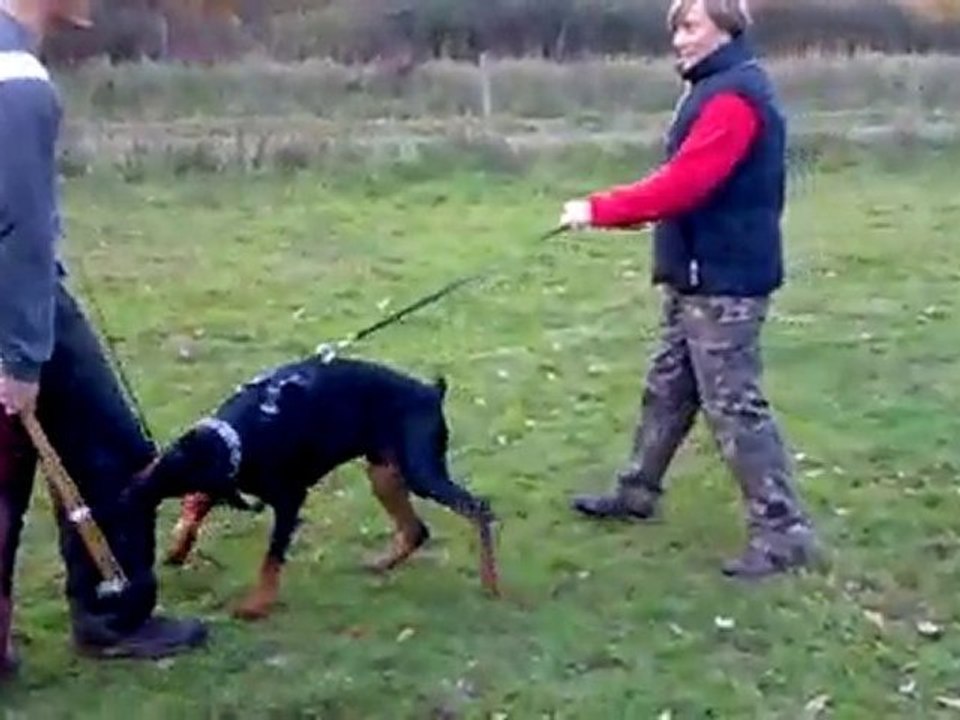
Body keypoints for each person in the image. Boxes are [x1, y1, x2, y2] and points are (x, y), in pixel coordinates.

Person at [561, 0, 818, 579]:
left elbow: (685, 184)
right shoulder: (713, 86)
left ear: (727, 27)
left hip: (725, 280)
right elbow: (686, 191)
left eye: (691, 26)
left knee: (735, 409)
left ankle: (784, 533)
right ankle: (637, 491)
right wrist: (623, 216)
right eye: (675, 27)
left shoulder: (733, 96)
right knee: (669, 389)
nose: (678, 39)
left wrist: (599, 210)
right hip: (695, 274)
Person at [0, 0, 207, 678]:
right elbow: (19, 233)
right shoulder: (17, 80)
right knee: (109, 453)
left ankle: (94, 618)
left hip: (25, 302)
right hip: (21, 312)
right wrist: (21, 354)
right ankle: (111, 619)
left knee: (70, 456)